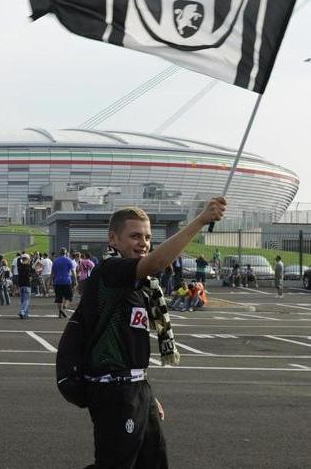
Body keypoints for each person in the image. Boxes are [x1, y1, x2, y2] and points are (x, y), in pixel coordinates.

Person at [78, 197, 225, 468]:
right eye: (134, 236)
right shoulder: (110, 272)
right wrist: (201, 220)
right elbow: (158, 261)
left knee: (154, 463)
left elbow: (128, 347)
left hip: (136, 388)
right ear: (113, 239)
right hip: (112, 392)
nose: (143, 243)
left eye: (147, 237)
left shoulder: (142, 287)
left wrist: (146, 393)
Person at [52, 249, 75, 318]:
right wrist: (76, 280)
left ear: (59, 253)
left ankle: (60, 313)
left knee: (59, 298)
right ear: (65, 253)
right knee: (69, 296)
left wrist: (50, 280)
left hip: (57, 281)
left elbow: (52, 272)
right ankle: (64, 307)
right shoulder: (68, 260)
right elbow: (73, 271)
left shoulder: (55, 260)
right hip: (66, 281)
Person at [17, 252, 32, 319]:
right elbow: (28, 275)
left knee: (23, 300)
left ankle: (26, 313)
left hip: (21, 284)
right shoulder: (28, 266)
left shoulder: (19, 266)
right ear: (27, 259)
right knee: (26, 299)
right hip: (27, 284)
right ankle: (22, 311)